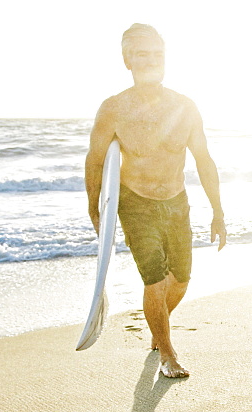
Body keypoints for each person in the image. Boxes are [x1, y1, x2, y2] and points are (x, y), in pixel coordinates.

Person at [86, 23, 225, 378]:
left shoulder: (184, 107)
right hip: (135, 202)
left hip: (176, 199)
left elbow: (204, 159)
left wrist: (218, 211)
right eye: (142, 54)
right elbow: (96, 159)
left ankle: (156, 328)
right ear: (127, 60)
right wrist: (94, 206)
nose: (151, 61)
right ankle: (166, 352)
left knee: (180, 280)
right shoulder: (114, 109)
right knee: (154, 279)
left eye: (157, 54)